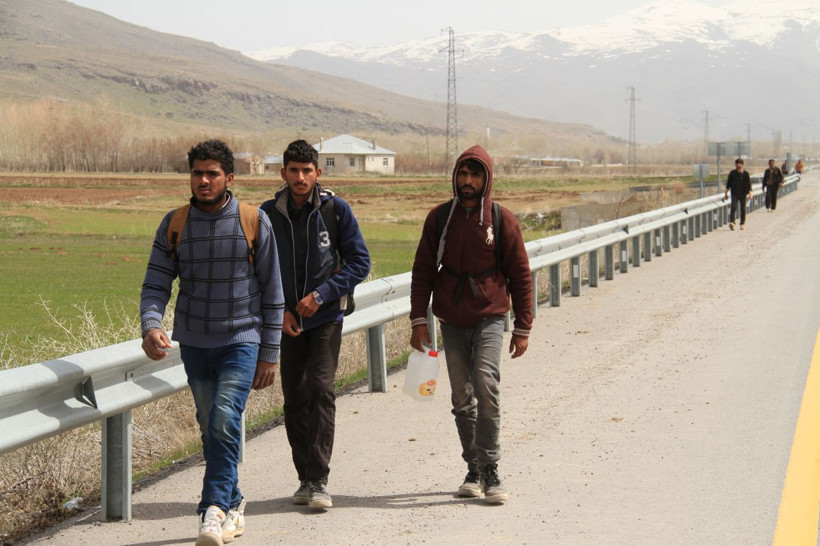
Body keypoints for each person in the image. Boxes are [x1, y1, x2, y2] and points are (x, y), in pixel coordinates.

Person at [140, 139, 284, 546]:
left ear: (229, 178)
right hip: (195, 343)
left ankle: (212, 510)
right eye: (197, 173)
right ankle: (234, 502)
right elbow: (155, 283)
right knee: (211, 425)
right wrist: (151, 324)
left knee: (223, 417)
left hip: (242, 340)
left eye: (212, 174)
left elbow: (273, 292)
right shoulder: (176, 223)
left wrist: (269, 353)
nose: (203, 180)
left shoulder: (253, 221)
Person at [409, 144, 534, 505]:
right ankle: (473, 468)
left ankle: (491, 468)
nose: (467, 181)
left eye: (475, 174)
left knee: (486, 385)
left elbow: (520, 274)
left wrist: (523, 325)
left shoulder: (501, 219)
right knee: (461, 397)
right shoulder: (439, 219)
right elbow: (422, 271)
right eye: (463, 174)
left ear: (486, 178)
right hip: (451, 319)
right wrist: (420, 321)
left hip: (491, 317)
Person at [261, 139, 370, 511]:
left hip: (325, 318)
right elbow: (259, 270)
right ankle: (304, 478)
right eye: (294, 170)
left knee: (321, 389)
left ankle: (319, 480)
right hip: (287, 321)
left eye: (307, 171)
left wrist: (321, 295)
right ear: (283, 173)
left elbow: (360, 263)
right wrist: (281, 312)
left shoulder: (335, 210)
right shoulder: (267, 215)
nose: (301, 177)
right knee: (295, 396)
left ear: (318, 173)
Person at [724, 158, 753, 230]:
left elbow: (749, 184)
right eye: (737, 163)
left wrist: (750, 193)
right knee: (733, 207)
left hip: (743, 194)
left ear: (742, 165)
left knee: (743, 209)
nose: (738, 165)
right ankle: (732, 222)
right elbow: (728, 184)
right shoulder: (732, 173)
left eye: (739, 163)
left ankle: (742, 223)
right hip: (734, 193)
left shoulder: (746, 173)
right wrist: (726, 193)